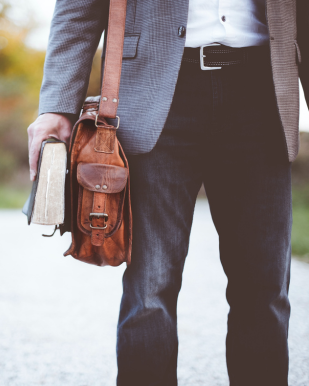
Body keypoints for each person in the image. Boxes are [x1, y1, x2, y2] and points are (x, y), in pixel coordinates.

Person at [27, 1, 309, 385]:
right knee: (149, 290)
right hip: (157, 91)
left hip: (264, 93)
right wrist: (57, 105)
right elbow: (78, 8)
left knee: (265, 291)